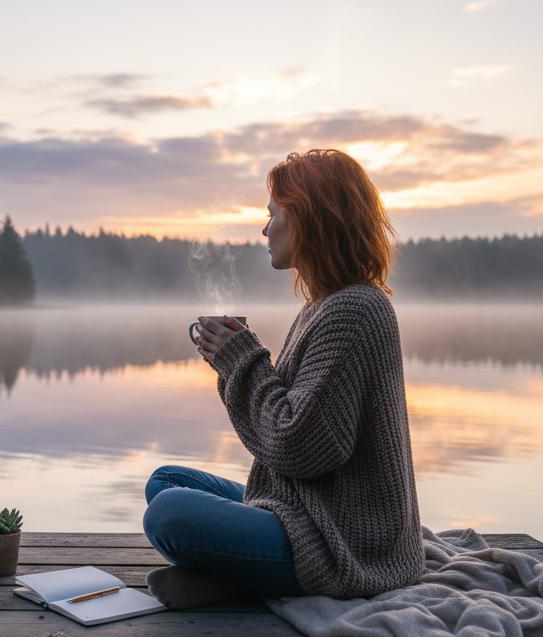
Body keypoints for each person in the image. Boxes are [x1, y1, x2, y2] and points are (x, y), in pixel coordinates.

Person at [142, 149, 425, 610]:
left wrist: (241, 360)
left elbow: (298, 446)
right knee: (166, 480)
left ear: (309, 217)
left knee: (170, 515)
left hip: (347, 541)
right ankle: (244, 577)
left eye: (273, 213)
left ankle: (247, 580)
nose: (264, 227)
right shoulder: (324, 306)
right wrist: (235, 361)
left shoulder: (354, 311)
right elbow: (295, 429)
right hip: (309, 508)